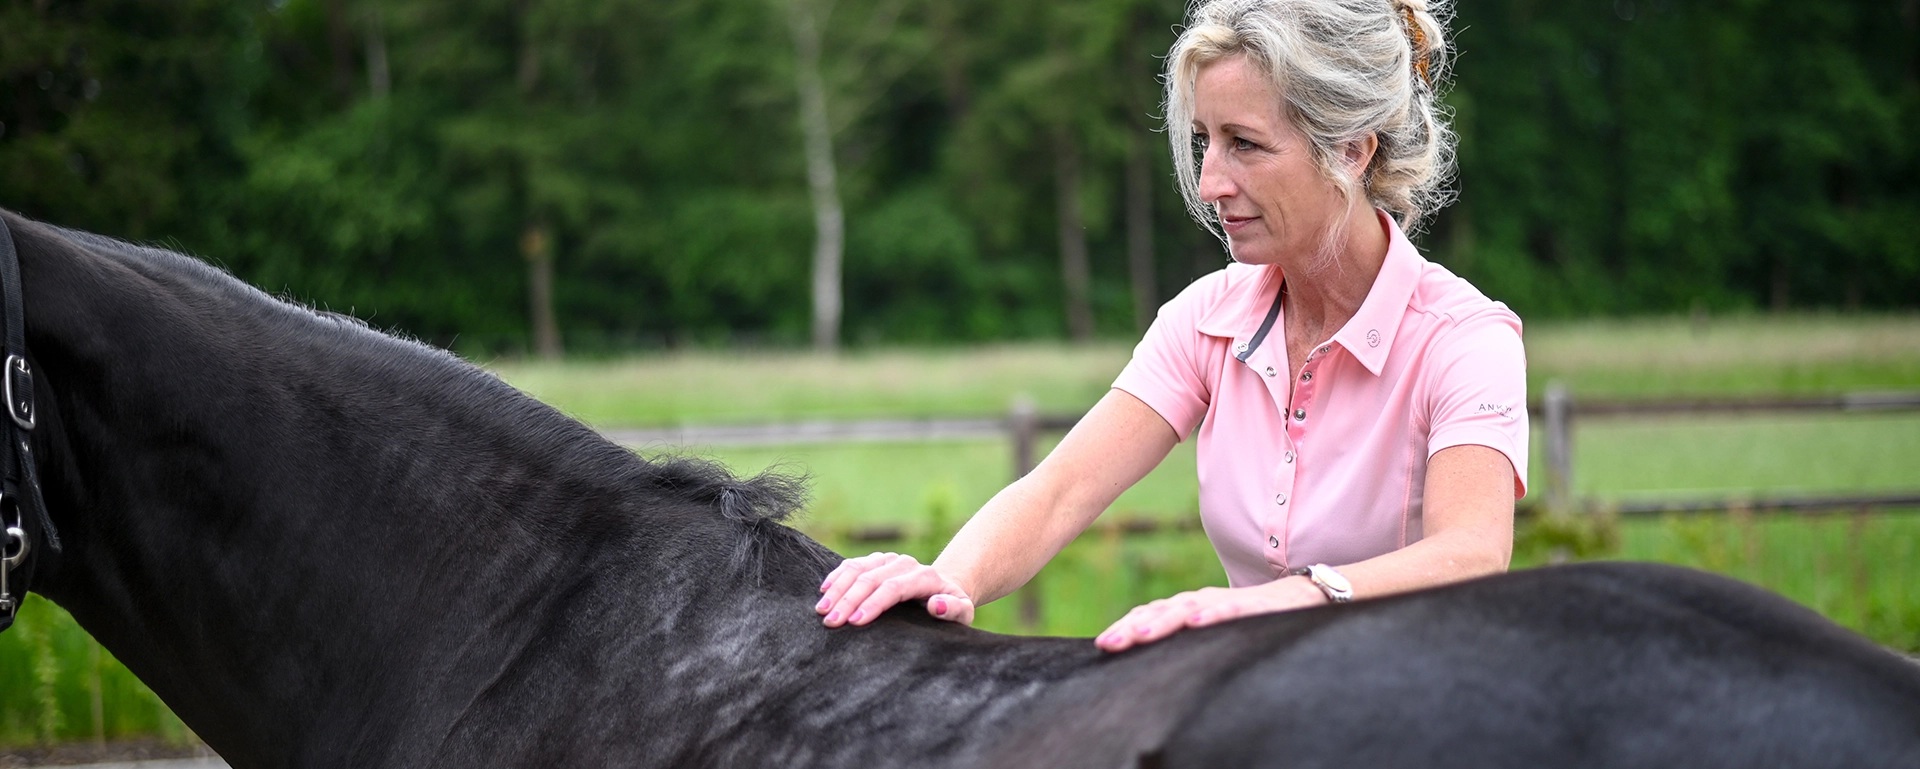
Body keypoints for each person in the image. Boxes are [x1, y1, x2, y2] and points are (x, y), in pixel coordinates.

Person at [815, 0, 1527, 653]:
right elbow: (1060, 490)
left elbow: (1472, 551)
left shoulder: (1465, 341)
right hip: (1252, 706)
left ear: (1351, 150)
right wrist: (948, 579)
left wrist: (1273, 603)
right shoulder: (1205, 319)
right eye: (1204, 141)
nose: (1212, 180)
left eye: (1244, 143)